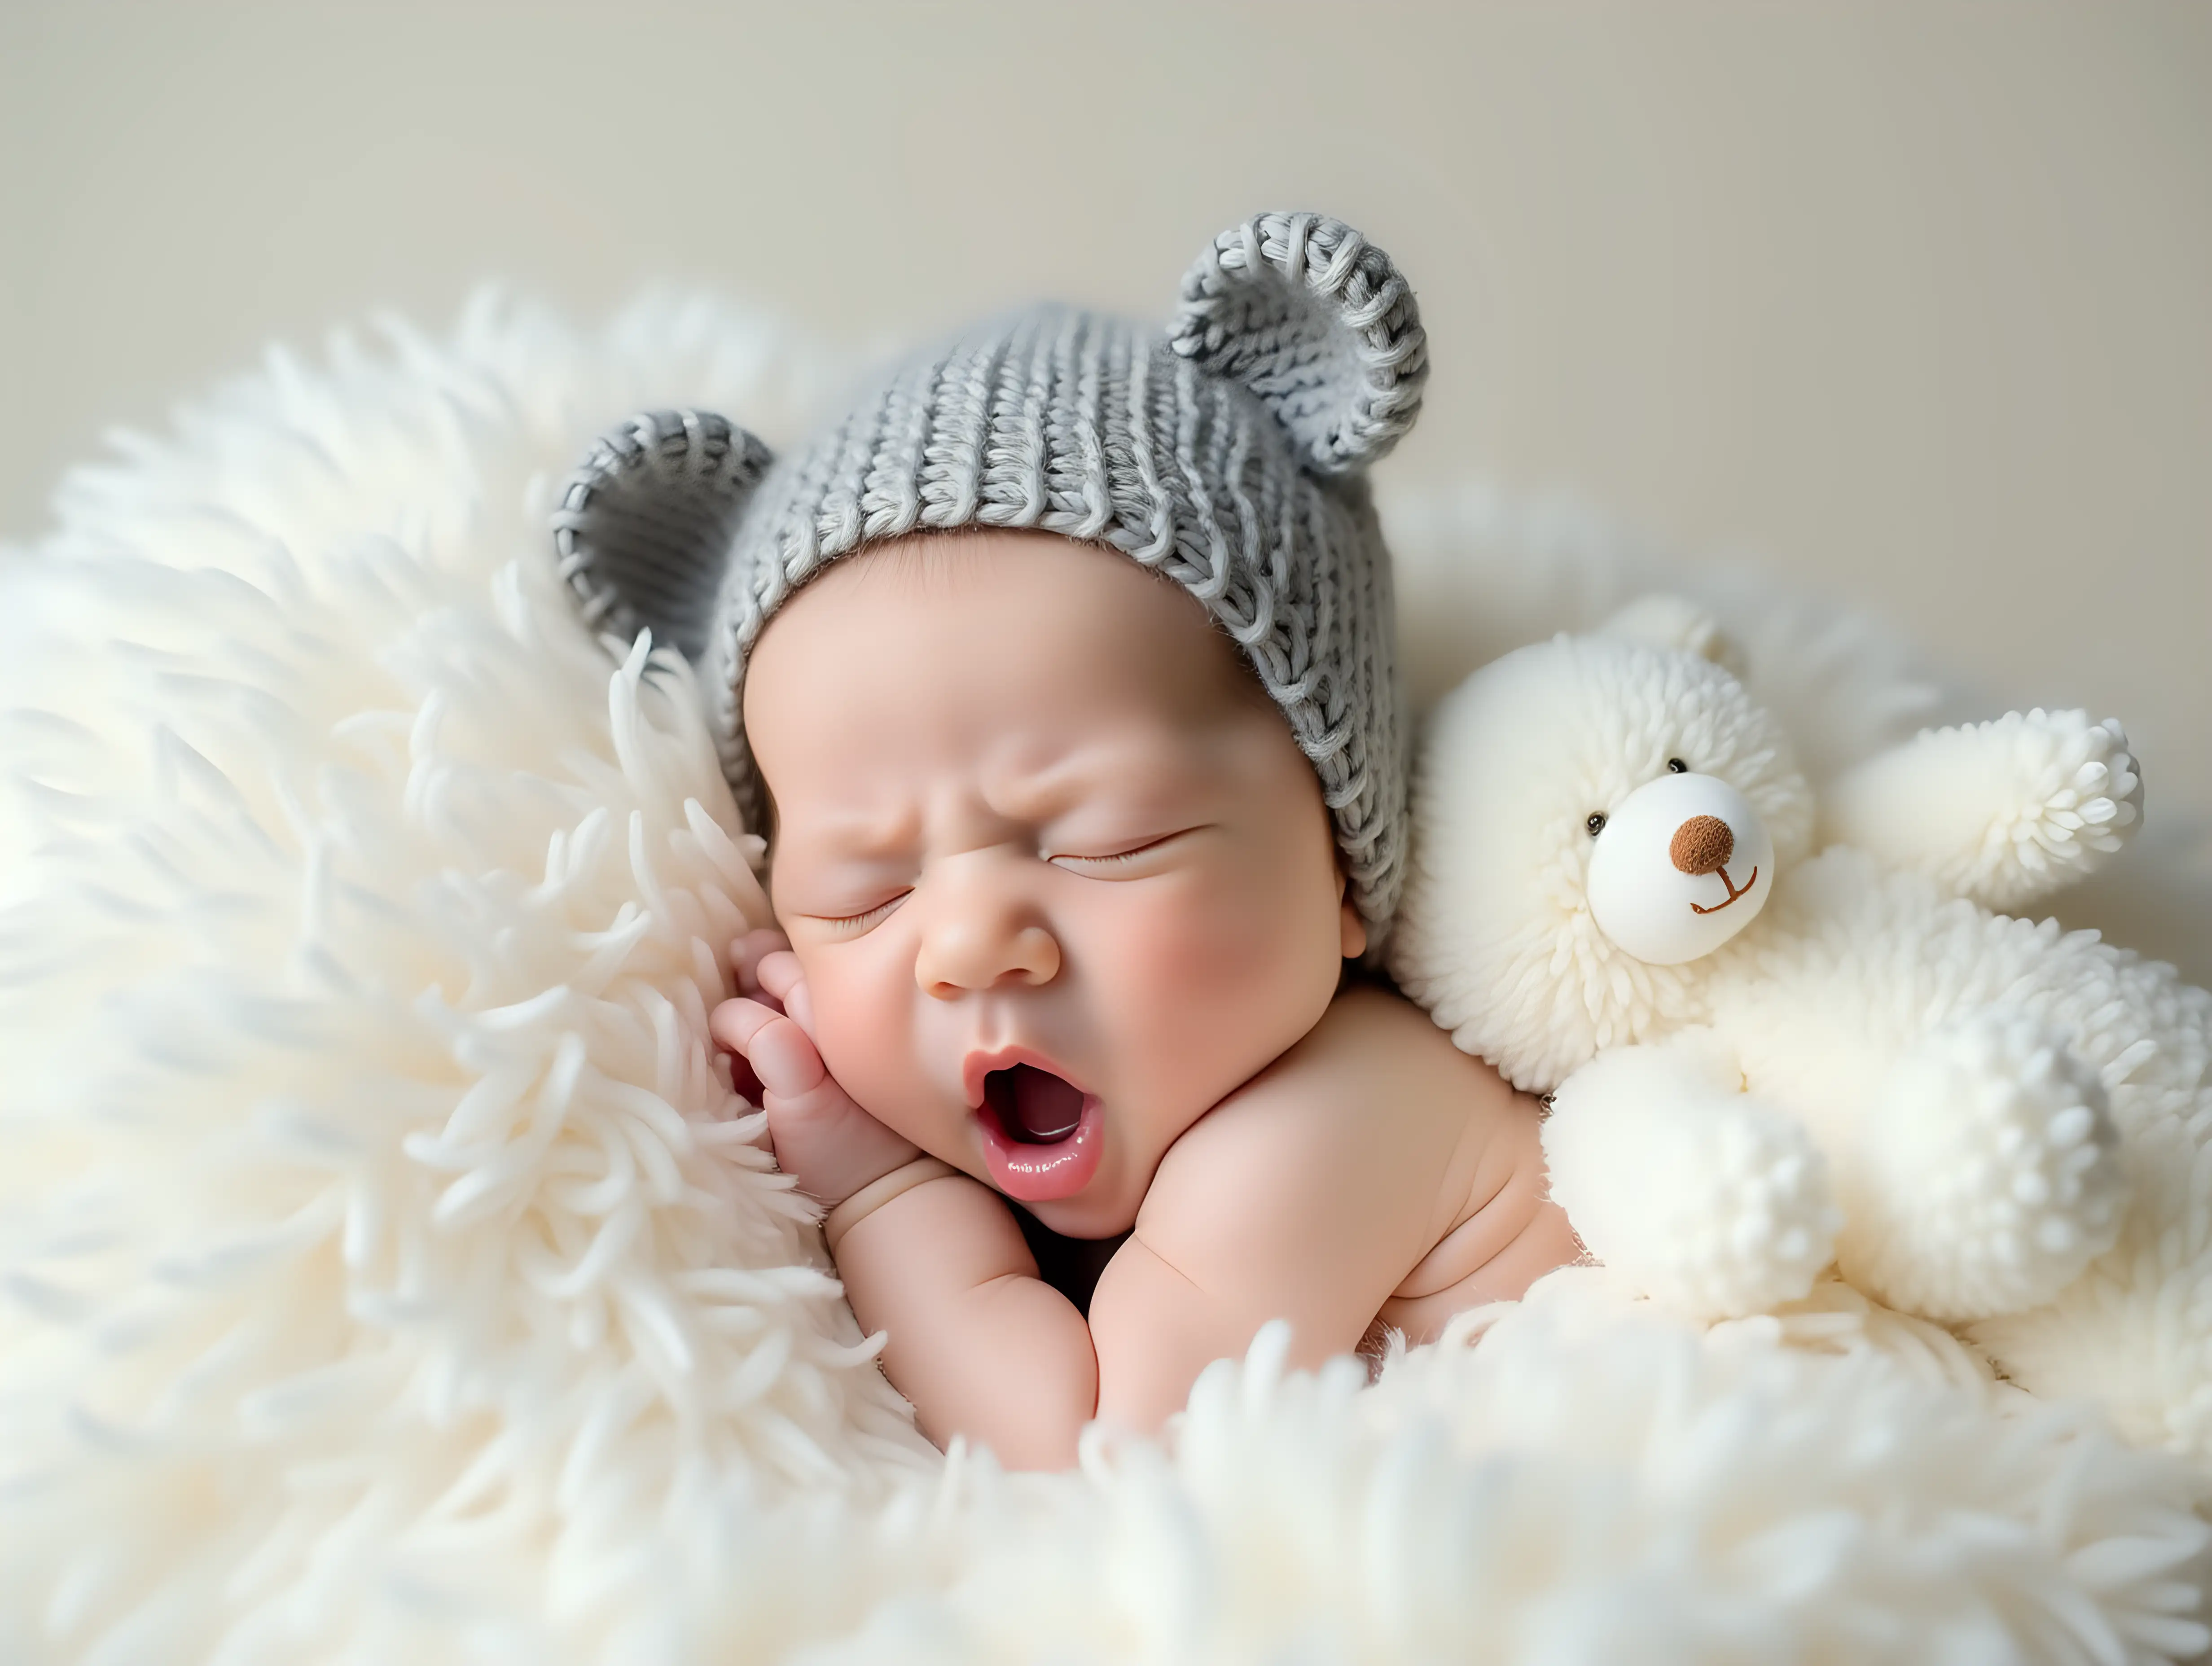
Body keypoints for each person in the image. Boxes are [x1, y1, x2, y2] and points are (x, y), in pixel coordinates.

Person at [554, 213, 1583, 1470]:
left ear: (1341, 860)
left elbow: (1083, 1446)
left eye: (1104, 841)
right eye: (867, 892)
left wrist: (882, 1191)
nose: (973, 942)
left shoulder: (1339, 1116)